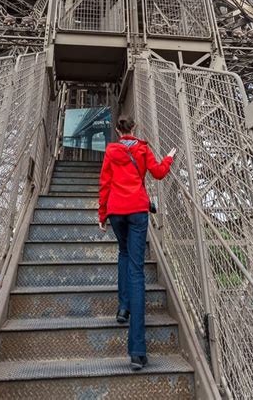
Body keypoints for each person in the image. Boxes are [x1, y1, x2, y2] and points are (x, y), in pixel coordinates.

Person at [98, 115, 176, 371]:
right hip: (138, 211)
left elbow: (105, 184)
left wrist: (102, 214)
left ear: (118, 131)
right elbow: (159, 173)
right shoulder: (143, 150)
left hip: (116, 211)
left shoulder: (111, 151)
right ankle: (137, 351)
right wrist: (170, 157)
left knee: (123, 254)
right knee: (137, 272)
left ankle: (123, 308)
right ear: (134, 129)